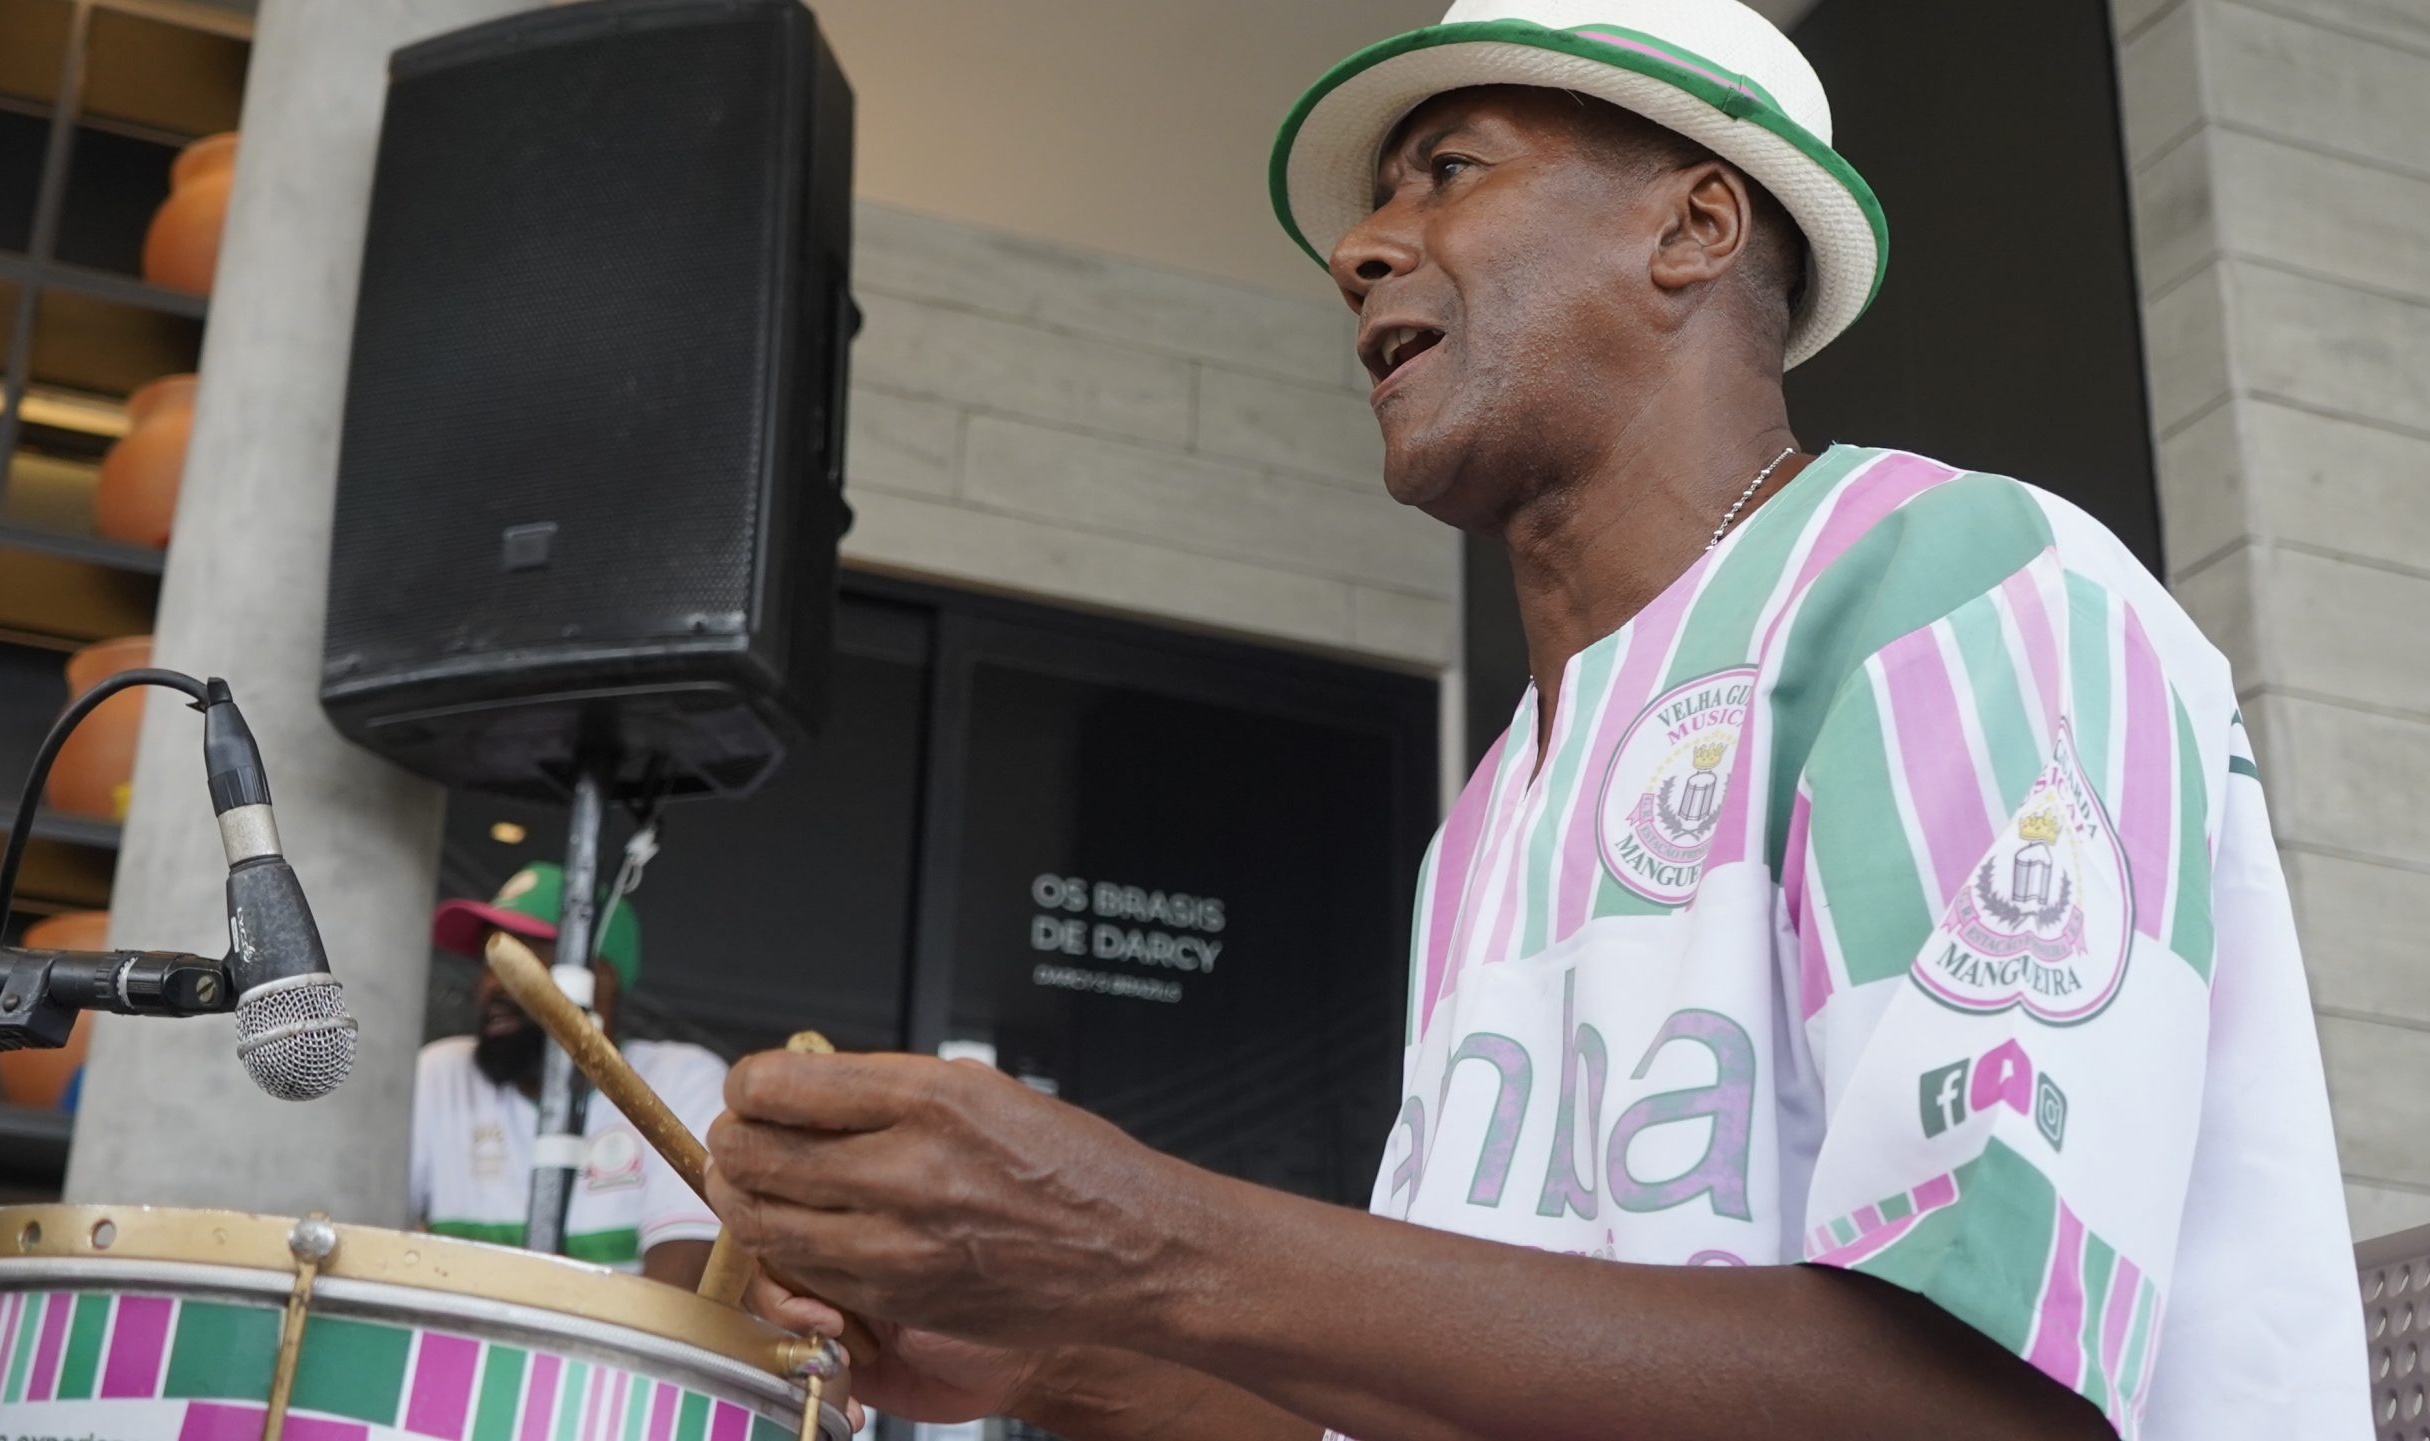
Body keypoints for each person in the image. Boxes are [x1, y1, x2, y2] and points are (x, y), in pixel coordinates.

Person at [702, 2, 2370, 1437]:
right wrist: (1053, 1344)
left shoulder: (1956, 587)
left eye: (1449, 169)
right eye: (1379, 201)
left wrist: (1143, 1240)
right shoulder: (1499, 802)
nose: (1359, 249)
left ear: (1694, 228)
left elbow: (1981, 1403)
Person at [411, 860, 726, 1289]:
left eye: (520, 962)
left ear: (600, 980)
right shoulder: (441, 1073)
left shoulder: (680, 1081)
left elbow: (679, 1300)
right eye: (489, 962)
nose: (490, 986)